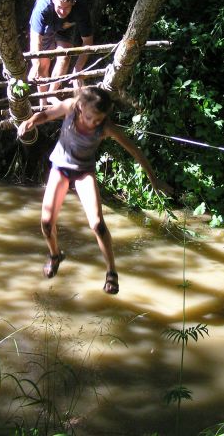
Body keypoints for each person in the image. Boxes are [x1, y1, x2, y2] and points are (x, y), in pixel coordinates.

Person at [17, 86, 169, 295]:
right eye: (90, 117)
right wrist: (30, 121)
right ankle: (55, 255)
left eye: (98, 119)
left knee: (97, 224)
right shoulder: (70, 107)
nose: (94, 123)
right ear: (80, 107)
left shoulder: (105, 127)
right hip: (60, 168)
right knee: (45, 223)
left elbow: (135, 150)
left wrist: (155, 181)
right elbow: (45, 114)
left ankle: (111, 272)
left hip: (83, 172)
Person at [28, 0, 93, 106]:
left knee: (64, 56)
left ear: (73, 2)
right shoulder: (43, 6)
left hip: (65, 27)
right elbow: (35, 39)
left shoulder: (80, 8)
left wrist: (78, 69)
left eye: (66, 8)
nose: (62, 11)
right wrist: (35, 64)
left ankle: (52, 94)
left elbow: (88, 41)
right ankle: (43, 102)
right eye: (59, 7)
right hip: (46, 26)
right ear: (53, 0)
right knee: (42, 61)